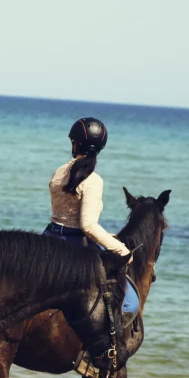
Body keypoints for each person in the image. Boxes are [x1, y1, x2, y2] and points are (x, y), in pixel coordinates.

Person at [45, 117, 139, 313]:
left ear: (75, 144)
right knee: (130, 303)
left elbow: (65, 216)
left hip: (49, 237)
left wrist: (107, 236)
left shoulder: (58, 172)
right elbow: (87, 226)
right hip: (76, 245)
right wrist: (122, 250)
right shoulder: (93, 180)